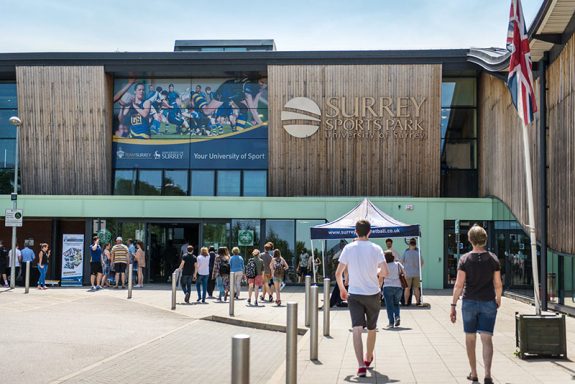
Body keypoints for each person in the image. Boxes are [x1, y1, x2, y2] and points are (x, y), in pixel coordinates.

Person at [335, 220, 388, 378]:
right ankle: (368, 356)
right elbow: (385, 272)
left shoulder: (348, 248)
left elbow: (338, 273)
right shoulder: (376, 248)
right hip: (373, 294)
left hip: (355, 294)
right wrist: (375, 270)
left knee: (357, 330)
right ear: (369, 232)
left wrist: (342, 289)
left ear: (355, 232)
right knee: (372, 328)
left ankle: (360, 366)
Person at [451, 225, 502, 384]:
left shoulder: (465, 259)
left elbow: (459, 285)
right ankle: (487, 374)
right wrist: (498, 298)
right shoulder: (493, 258)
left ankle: (474, 373)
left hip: (469, 302)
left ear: (470, 239)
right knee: (487, 339)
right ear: (484, 239)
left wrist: (453, 305)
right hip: (488, 302)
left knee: (470, 338)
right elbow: (498, 283)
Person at [382, 250, 405, 328]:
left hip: (387, 286)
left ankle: (391, 323)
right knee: (396, 303)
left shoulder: (384, 266)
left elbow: (381, 276)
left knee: (389, 305)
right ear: (393, 257)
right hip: (398, 287)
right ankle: (397, 316)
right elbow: (404, 273)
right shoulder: (398, 264)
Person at [401, 238, 424, 306]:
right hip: (416, 273)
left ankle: (405, 302)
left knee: (407, 288)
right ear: (415, 244)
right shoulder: (418, 252)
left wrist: (403, 270)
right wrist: (418, 268)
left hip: (408, 273)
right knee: (416, 288)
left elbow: (401, 261)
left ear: (409, 244)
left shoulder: (406, 252)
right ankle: (417, 302)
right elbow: (422, 262)